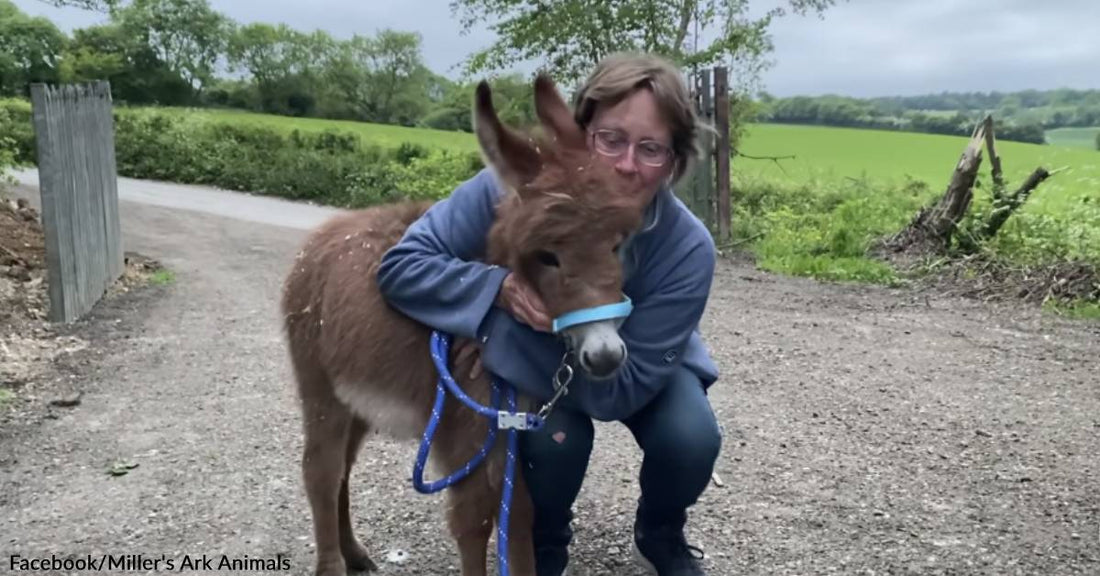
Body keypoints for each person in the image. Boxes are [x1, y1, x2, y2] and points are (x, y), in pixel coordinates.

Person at [375, 52, 722, 576]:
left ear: (673, 162)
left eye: (651, 149)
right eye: (611, 139)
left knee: (690, 437)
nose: (627, 164)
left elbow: (620, 392)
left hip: (631, 364)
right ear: (581, 133)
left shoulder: (688, 248)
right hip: (548, 365)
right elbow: (403, 266)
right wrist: (496, 290)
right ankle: (546, 533)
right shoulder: (516, 188)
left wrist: (510, 336)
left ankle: (660, 531)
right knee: (554, 438)